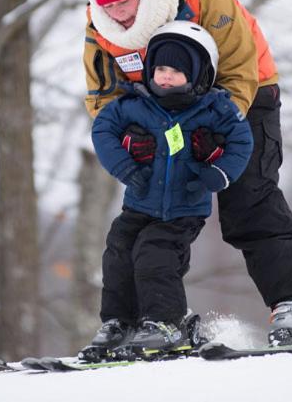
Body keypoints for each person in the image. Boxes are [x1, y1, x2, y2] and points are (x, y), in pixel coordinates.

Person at [82, 0, 292, 345]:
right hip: (156, 111)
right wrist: (129, 138)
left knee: (248, 201)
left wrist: (216, 135)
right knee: (148, 217)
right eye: (107, 5)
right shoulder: (101, 20)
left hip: (244, 96)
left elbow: (238, 68)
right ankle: (151, 321)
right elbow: (102, 97)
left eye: (124, 4)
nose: (118, 15)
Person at [83, 21, 253, 361]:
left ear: (198, 75)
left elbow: (241, 140)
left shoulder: (214, 108)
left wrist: (217, 174)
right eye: (160, 68)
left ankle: (166, 324)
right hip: (139, 204)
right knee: (118, 252)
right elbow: (102, 128)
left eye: (175, 70)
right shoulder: (135, 104)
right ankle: (120, 323)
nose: (164, 76)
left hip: (183, 211)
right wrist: (125, 167)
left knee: (154, 254)